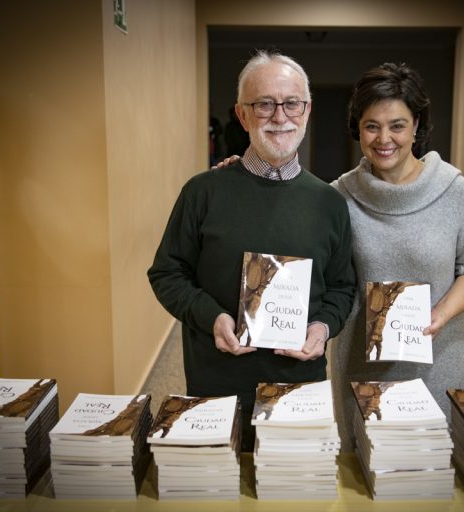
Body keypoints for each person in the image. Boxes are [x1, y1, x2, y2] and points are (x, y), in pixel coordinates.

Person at [147, 51, 357, 452]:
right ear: (242, 116)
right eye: (264, 103)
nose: (280, 116)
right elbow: (166, 274)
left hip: (298, 381)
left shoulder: (329, 202)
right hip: (217, 379)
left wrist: (323, 328)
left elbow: (343, 287)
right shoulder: (203, 192)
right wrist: (213, 318)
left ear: (307, 110)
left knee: (292, 489)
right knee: (219, 489)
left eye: (291, 102)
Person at [329, 62, 464, 449]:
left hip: (438, 357)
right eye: (371, 125)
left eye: (397, 125)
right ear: (357, 128)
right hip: (361, 362)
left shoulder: (454, 190)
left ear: (417, 126)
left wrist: (440, 313)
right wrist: (242, 172)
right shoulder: (338, 197)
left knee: (434, 466)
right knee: (366, 468)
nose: (383, 138)